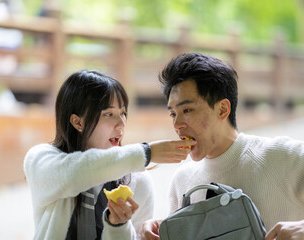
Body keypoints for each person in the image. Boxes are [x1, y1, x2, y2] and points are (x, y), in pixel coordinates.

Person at [139, 52, 304, 240]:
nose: (177, 124)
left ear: (223, 109)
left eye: (187, 110)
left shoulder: (280, 155)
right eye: (173, 114)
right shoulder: (182, 180)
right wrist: (165, 228)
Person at [23, 70, 195, 240]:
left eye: (123, 113)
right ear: (78, 122)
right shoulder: (41, 160)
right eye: (108, 114)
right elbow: (75, 172)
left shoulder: (137, 180)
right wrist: (146, 153)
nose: (121, 124)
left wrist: (118, 226)